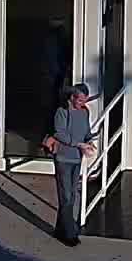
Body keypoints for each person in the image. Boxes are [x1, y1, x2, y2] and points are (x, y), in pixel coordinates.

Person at [44, 83, 98, 246]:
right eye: (80, 100)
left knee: (72, 195)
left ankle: (60, 229)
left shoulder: (84, 112)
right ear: (72, 97)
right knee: (66, 195)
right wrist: (79, 144)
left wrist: (89, 142)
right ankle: (70, 233)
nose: (83, 103)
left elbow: (86, 132)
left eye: (85, 100)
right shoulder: (62, 112)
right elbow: (59, 133)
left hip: (77, 159)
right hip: (63, 158)